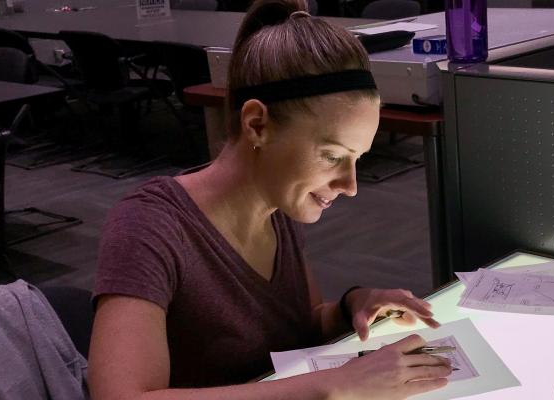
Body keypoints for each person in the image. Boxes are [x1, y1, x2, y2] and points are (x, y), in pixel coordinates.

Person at [88, 0, 452, 398]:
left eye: (357, 160)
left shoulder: (278, 208)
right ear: (257, 125)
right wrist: (332, 387)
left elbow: (300, 325)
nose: (351, 186)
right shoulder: (148, 226)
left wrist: (352, 305)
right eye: (332, 156)